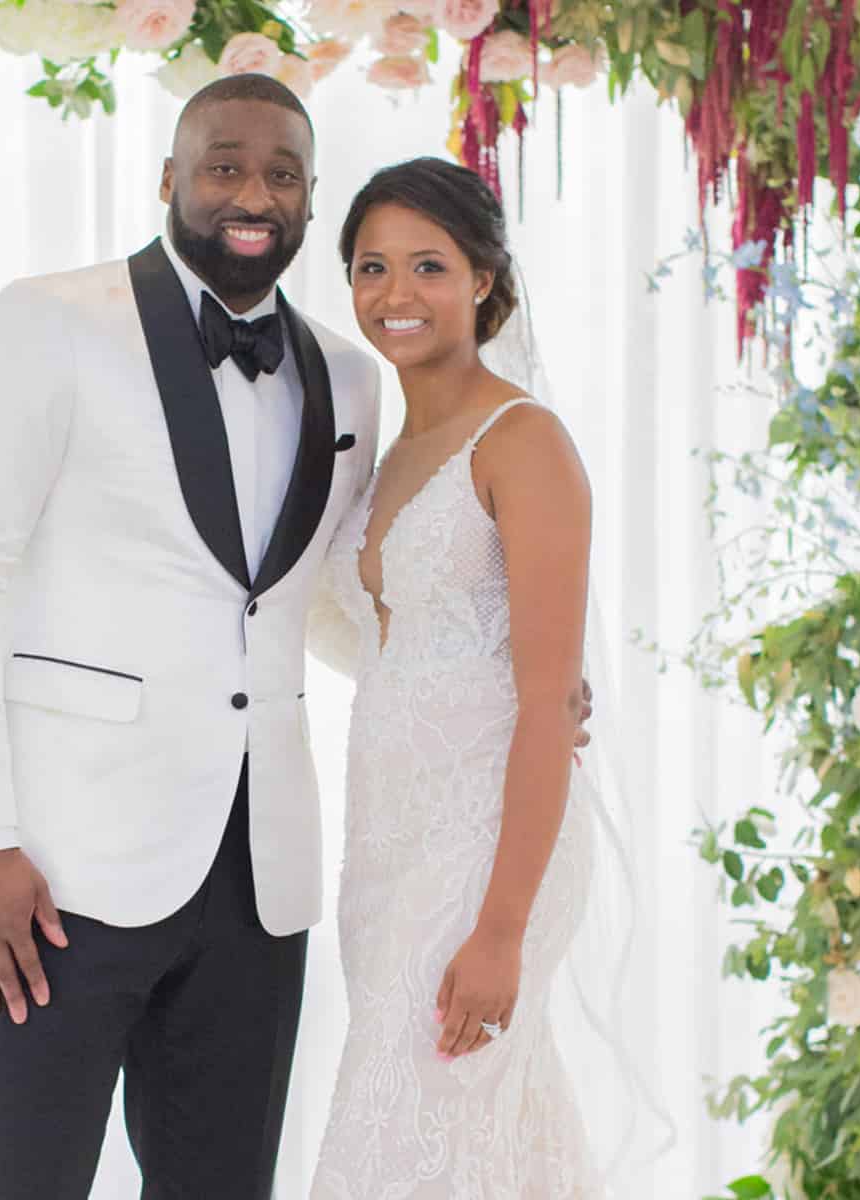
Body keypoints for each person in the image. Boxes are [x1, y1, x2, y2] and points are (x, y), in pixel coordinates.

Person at [0, 74, 380, 1197]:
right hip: (57, 871)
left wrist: (495, 678)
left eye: (282, 172)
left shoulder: (349, 377)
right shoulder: (52, 319)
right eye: (225, 164)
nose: (252, 192)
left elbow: (312, 602)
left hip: (261, 875)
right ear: (169, 178)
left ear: (310, 201)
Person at [309, 157, 649, 1197]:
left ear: (485, 281)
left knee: (403, 1129)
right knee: (483, 1139)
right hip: (389, 843)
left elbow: (549, 699)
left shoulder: (525, 441)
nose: (395, 295)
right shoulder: (386, 449)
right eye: (371, 267)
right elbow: (382, 642)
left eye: (428, 266)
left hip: (492, 850)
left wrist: (501, 928)